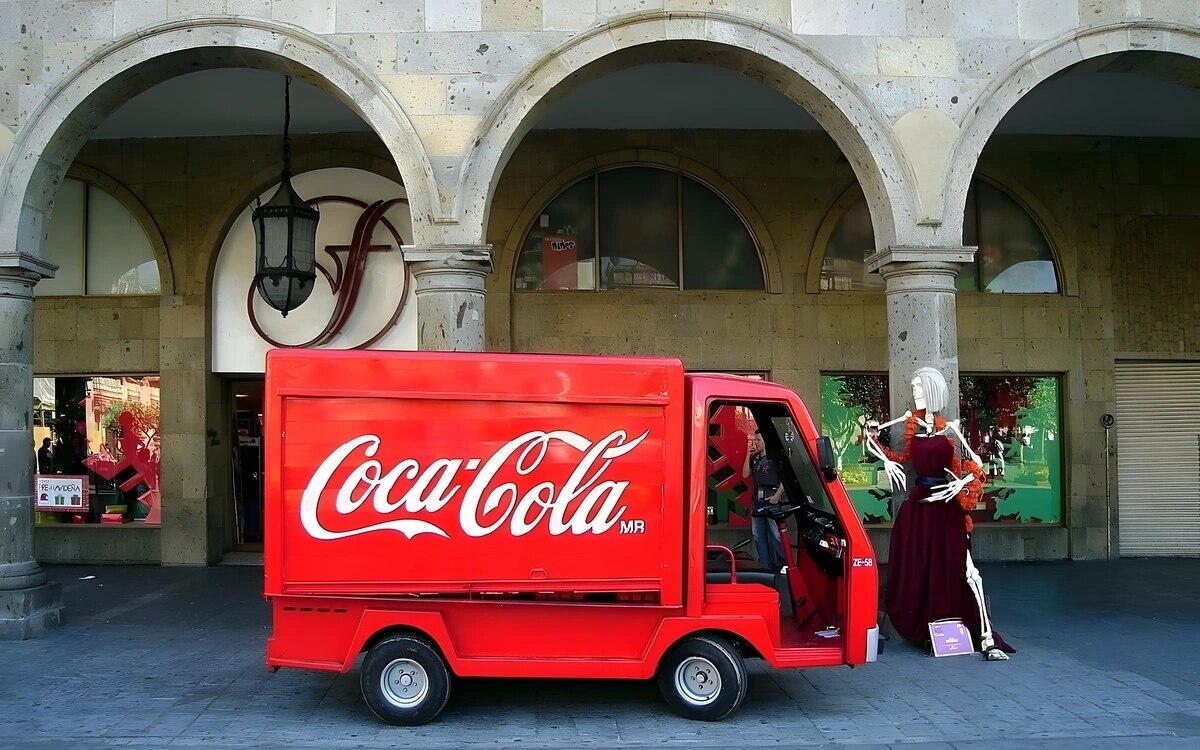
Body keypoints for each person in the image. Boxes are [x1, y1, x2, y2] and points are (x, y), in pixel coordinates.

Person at [865, 367, 1015, 661]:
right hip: (919, 508)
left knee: (958, 566)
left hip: (945, 507)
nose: (916, 394)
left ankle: (984, 636)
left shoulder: (950, 428)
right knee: (917, 565)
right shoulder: (911, 423)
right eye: (914, 389)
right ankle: (925, 628)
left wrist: (961, 482)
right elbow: (880, 443)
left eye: (920, 389)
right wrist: (884, 458)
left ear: (933, 390)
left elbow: (976, 466)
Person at [743, 429, 786, 569]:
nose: (756, 443)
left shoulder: (775, 459)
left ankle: (783, 564)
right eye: (755, 440)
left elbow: (785, 480)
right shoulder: (755, 459)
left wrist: (777, 496)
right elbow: (745, 475)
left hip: (772, 500)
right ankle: (765, 564)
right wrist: (748, 455)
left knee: (776, 535)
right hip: (757, 502)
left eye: (759, 440)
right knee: (758, 535)